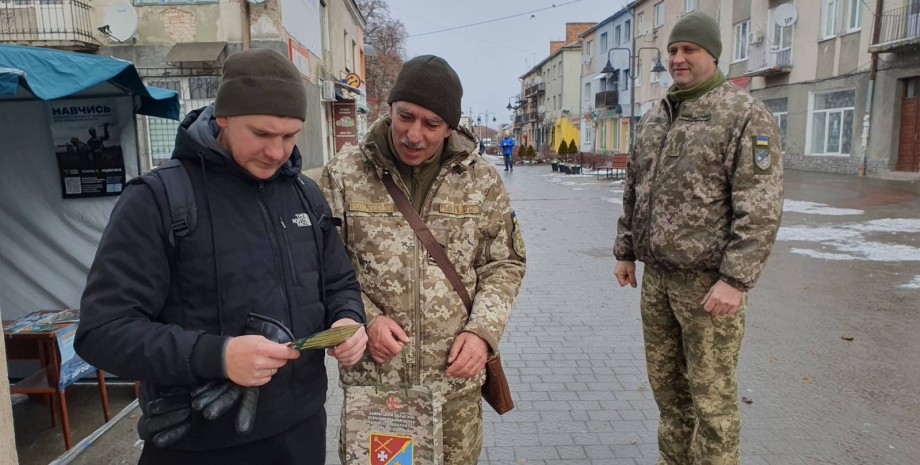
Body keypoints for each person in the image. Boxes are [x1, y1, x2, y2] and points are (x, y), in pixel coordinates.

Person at [75, 48, 368, 465]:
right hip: (201, 441)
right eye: (262, 134)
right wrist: (217, 355)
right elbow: (103, 331)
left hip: (301, 434)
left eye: (290, 136)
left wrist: (347, 321)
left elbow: (339, 283)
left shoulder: (305, 195)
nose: (276, 152)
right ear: (224, 117)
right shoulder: (158, 199)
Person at [319, 55, 527, 465]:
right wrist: (366, 317)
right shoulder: (343, 174)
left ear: (451, 126)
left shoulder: (480, 179)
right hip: (377, 388)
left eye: (431, 124)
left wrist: (483, 332)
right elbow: (319, 265)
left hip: (454, 387)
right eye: (405, 116)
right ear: (390, 109)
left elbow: (504, 264)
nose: (414, 135)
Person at [612, 11, 783, 465]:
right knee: (670, 397)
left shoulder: (743, 115)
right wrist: (626, 250)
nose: (678, 58)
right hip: (658, 283)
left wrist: (736, 279)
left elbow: (760, 204)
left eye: (689, 49)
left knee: (711, 402)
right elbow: (635, 187)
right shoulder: (657, 118)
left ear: (712, 53)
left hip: (709, 287)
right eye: (672, 50)